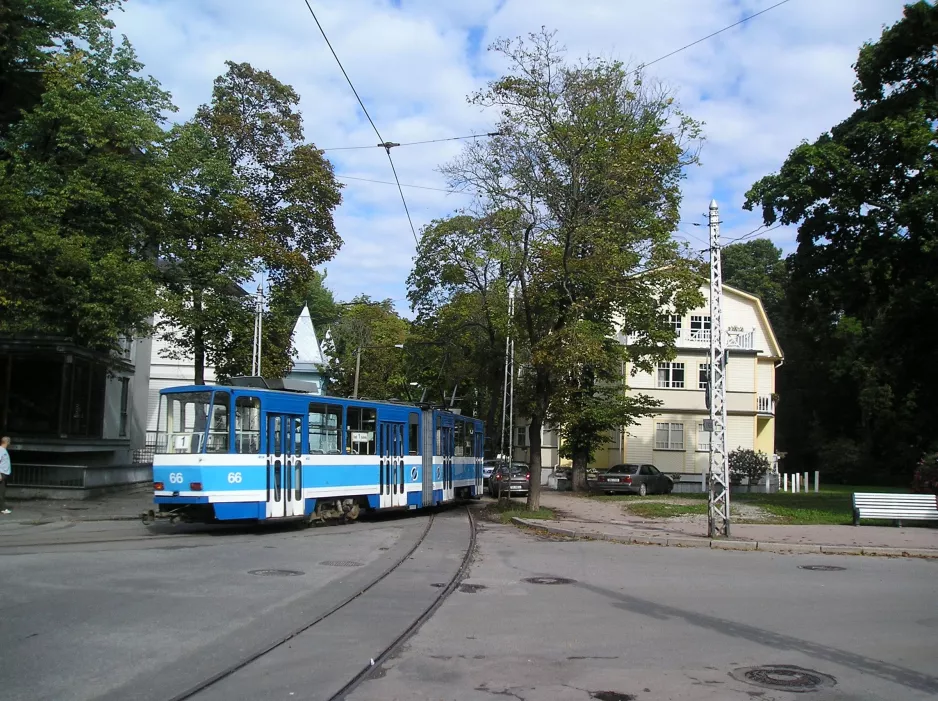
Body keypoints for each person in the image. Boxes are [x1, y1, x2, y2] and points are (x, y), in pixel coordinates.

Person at [0, 436, 11, 514]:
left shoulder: (3, 450)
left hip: (4, 473)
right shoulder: (1, 450)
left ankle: (2, 508)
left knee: (2, 491)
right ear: (7, 442)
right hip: (2, 473)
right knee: (1, 492)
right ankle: (2, 509)